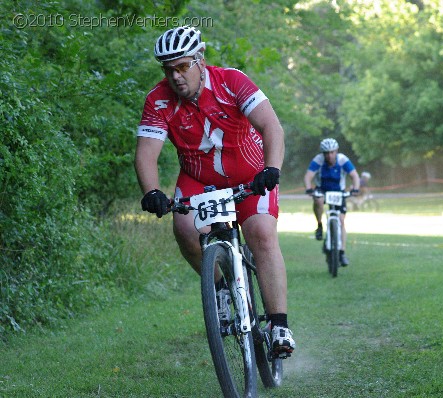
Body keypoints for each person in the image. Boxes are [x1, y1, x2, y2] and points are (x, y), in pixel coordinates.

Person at [134, 26, 294, 356]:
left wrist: (271, 168)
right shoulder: (158, 100)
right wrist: (152, 191)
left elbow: (271, 126)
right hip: (198, 179)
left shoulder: (231, 81)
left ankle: (279, 325)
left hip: (250, 174)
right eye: (169, 69)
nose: (176, 76)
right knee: (184, 228)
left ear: (200, 61)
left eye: (182, 66)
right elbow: (146, 152)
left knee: (261, 234)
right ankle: (220, 287)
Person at [303, 138, 361, 266]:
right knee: (318, 200)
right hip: (322, 190)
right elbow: (308, 176)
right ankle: (319, 225)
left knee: (341, 221)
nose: (329, 155)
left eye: (332, 152)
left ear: (337, 151)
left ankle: (341, 252)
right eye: (326, 153)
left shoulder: (342, 160)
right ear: (323, 153)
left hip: (338, 192)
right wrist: (308, 189)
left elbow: (355, 176)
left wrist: (356, 188)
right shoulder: (318, 160)